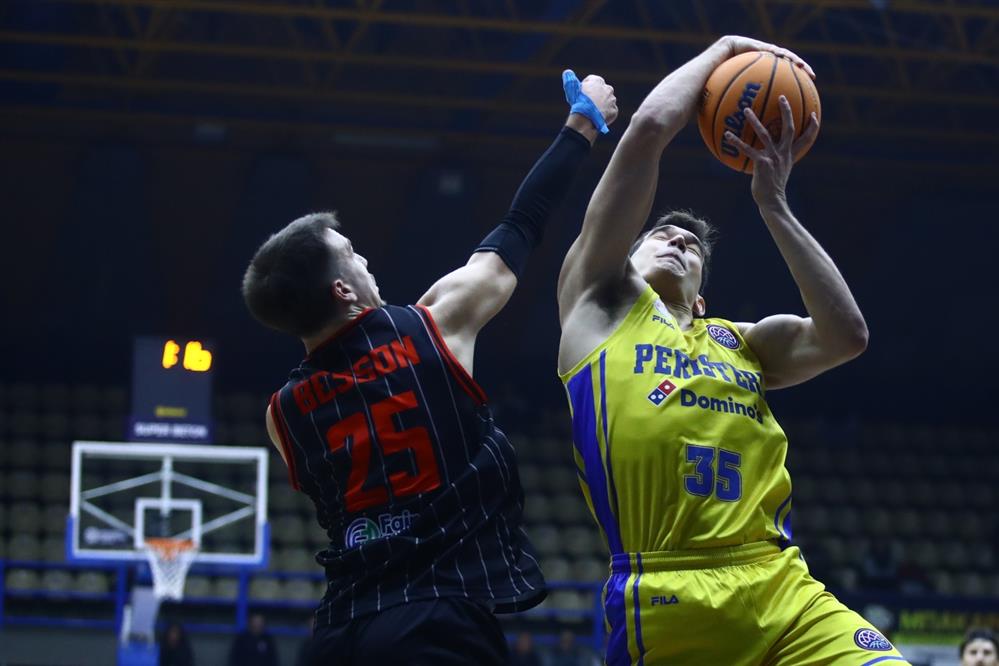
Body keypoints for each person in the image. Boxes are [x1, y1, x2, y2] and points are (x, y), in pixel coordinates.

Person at [555, 35, 910, 665]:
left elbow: (846, 336)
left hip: (781, 583)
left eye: (692, 246)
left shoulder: (739, 341)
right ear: (623, 259)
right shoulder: (597, 307)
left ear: (701, 299)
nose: (678, 242)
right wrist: (724, 49)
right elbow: (648, 129)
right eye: (661, 235)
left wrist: (774, 207)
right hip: (668, 589)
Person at [243, 74, 617, 665]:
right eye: (351, 253)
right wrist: (581, 125)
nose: (365, 258)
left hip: (338, 631)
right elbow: (521, 225)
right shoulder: (434, 327)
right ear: (343, 289)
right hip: (435, 612)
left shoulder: (281, 415)